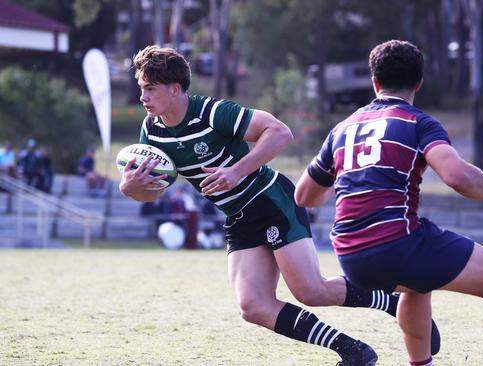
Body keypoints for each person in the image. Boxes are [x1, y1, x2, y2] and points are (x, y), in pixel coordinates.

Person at [119, 45, 441, 366]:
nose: (143, 97)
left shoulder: (211, 113)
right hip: (238, 215)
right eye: (142, 89)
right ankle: (353, 350)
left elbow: (279, 132)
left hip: (270, 199)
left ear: (174, 89)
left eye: (150, 89)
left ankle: (391, 302)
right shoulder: (153, 131)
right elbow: (152, 190)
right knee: (253, 306)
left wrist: (236, 171)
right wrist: (130, 188)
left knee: (311, 291)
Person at [295, 40, 483, 366]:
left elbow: (304, 196)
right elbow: (456, 176)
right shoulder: (417, 123)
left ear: (375, 82)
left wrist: (341, 186)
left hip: (350, 256)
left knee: (415, 285)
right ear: (419, 83)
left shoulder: (342, 129)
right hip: (397, 244)